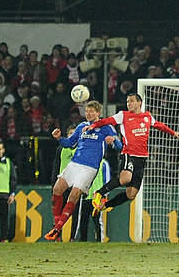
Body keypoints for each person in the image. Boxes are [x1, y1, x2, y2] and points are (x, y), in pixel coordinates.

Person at [88, 93, 179, 215]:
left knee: (131, 194)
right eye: (127, 101)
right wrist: (94, 125)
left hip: (142, 158)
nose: (129, 103)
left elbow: (159, 125)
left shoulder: (147, 116)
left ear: (139, 103)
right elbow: (107, 120)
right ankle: (99, 193)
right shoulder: (123, 115)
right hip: (128, 154)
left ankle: (105, 205)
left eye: (131, 101)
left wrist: (173, 133)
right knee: (125, 178)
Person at [46, 100, 123, 240]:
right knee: (57, 190)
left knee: (73, 197)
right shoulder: (82, 126)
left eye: (92, 111)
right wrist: (59, 138)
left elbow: (119, 147)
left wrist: (113, 140)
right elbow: (69, 144)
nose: (88, 114)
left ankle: (57, 230)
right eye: (87, 111)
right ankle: (56, 225)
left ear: (98, 113)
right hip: (74, 164)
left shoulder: (106, 127)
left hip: (89, 168)